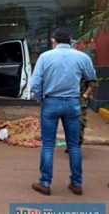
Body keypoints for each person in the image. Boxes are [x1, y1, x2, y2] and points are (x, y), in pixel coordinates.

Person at [30, 27, 96, 196]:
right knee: (73, 145)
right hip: (73, 103)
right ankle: (76, 184)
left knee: (48, 145)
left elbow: (35, 84)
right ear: (70, 40)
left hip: (51, 102)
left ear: (54, 40)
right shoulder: (82, 57)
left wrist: (41, 100)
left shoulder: (45, 57)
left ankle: (45, 183)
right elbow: (90, 76)